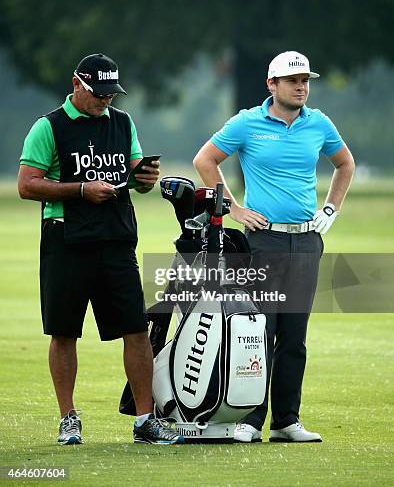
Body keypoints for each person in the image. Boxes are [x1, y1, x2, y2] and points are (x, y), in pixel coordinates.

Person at [18, 53, 183, 445]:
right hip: (66, 240)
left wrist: (146, 178)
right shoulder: (49, 127)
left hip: (116, 238)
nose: (106, 101)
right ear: (77, 83)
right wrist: (79, 190)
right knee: (63, 332)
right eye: (98, 93)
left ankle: (145, 420)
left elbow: (136, 175)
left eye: (111, 93)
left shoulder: (123, 122)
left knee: (135, 329)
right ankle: (68, 418)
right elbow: (27, 184)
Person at [193, 50, 355, 443]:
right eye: (293, 80)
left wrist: (330, 209)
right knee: (258, 333)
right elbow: (205, 160)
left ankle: (286, 421)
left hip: (306, 240)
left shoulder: (319, 124)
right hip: (263, 240)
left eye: (306, 81)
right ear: (273, 84)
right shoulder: (247, 122)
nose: (302, 87)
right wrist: (233, 208)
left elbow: (345, 164)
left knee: (294, 336)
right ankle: (250, 419)